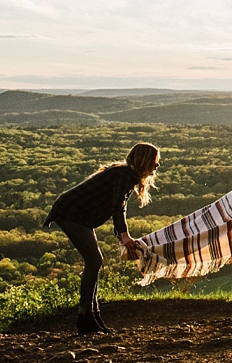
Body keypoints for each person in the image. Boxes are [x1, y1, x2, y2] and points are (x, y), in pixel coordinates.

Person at [43, 142, 159, 334]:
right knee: (94, 260)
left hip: (77, 214)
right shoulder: (125, 175)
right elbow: (117, 206)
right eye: (155, 161)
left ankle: (92, 316)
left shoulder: (124, 174)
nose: (157, 166)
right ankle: (84, 316)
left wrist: (122, 236)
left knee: (95, 261)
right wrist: (124, 235)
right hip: (70, 212)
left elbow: (115, 206)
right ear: (144, 160)